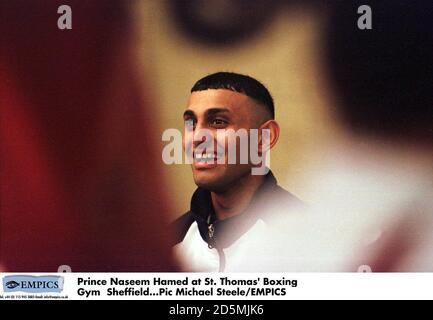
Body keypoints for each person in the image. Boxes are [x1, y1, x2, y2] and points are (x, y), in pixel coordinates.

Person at [171, 72, 303, 272]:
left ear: (264, 138)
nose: (196, 137)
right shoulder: (168, 244)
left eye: (218, 122)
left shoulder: (312, 242)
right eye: (191, 124)